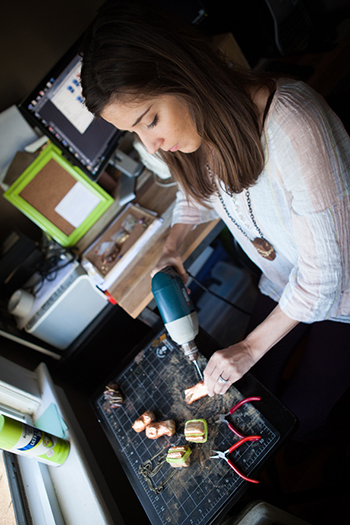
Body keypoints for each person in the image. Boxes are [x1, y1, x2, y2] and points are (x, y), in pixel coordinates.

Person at [80, 0, 350, 444]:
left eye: (150, 119)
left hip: (340, 293)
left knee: (296, 420)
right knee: (251, 399)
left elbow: (324, 283)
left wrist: (249, 348)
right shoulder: (198, 134)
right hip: (286, 281)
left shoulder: (291, 126)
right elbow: (203, 197)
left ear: (186, 74)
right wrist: (174, 245)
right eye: (135, 132)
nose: (153, 145)